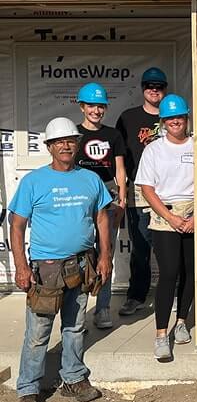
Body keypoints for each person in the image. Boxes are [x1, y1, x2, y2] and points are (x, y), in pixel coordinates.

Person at [10, 117, 112, 402]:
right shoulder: (34, 182)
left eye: (71, 140)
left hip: (81, 265)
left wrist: (105, 256)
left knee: (75, 325)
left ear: (77, 145)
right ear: (49, 147)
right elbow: (16, 226)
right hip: (46, 269)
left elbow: (102, 219)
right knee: (38, 332)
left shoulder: (90, 179)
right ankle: (28, 389)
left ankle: (74, 378)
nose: (66, 145)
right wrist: (21, 266)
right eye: (59, 142)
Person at [136, 94, 197, 361]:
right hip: (165, 216)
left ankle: (181, 321)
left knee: (191, 271)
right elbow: (147, 188)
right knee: (169, 273)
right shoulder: (153, 150)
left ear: (186, 119)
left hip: (194, 214)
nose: (175, 122)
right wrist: (170, 218)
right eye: (170, 118)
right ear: (163, 121)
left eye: (179, 117)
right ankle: (161, 335)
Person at [115, 66, 167, 316]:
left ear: (164, 90)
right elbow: (119, 159)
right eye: (150, 86)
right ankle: (136, 295)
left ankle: (174, 293)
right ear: (143, 89)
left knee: (169, 247)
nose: (154, 90)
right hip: (138, 190)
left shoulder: (174, 114)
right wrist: (122, 191)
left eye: (158, 87)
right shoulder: (128, 118)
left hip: (169, 191)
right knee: (140, 247)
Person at [74, 82, 126, 330]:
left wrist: (123, 197)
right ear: (82, 107)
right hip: (81, 198)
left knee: (106, 251)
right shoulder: (73, 134)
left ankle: (103, 307)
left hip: (109, 195)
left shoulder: (113, 135)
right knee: (81, 255)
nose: (96, 110)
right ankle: (78, 312)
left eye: (100, 106)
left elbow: (119, 168)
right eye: (92, 105)